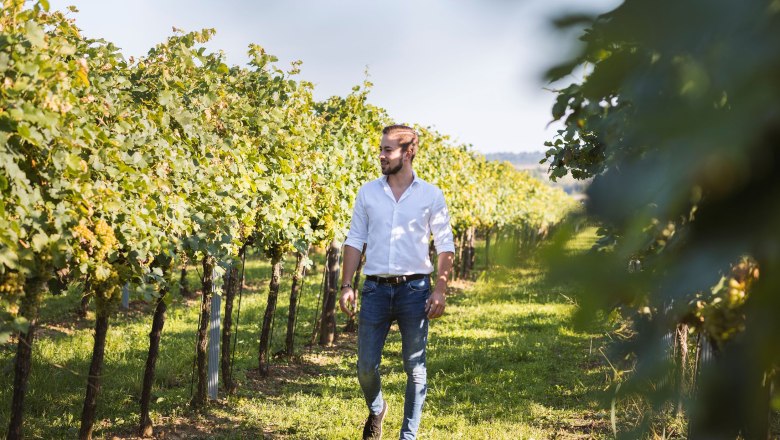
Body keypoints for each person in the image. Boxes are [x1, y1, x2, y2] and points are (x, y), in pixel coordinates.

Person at [339, 124, 455, 440]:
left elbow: (445, 244)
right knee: (365, 366)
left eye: (388, 149)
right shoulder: (368, 192)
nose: (381, 155)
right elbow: (355, 238)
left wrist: (440, 289)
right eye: (381, 149)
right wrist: (346, 284)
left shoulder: (431, 195)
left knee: (415, 369)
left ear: (408, 152)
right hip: (375, 288)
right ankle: (377, 409)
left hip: (415, 290)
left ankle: (408, 435)